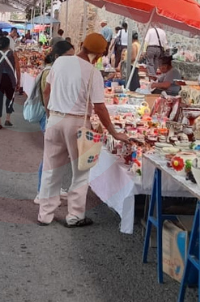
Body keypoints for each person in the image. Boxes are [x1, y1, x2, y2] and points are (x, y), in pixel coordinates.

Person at [38, 33, 131, 227]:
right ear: (99, 55)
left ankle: (44, 214)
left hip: (54, 119)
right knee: (80, 172)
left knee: (50, 169)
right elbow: (100, 107)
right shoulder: (92, 72)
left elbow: (47, 92)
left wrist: (50, 114)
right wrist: (114, 132)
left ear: (81, 45)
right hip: (78, 123)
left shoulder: (60, 62)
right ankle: (75, 216)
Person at [34, 40, 75, 201]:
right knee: (50, 156)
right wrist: (50, 115)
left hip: (56, 117)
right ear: (57, 56)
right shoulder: (50, 72)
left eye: (73, 56)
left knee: (58, 156)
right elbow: (47, 94)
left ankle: (54, 188)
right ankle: (41, 191)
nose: (72, 60)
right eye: (68, 56)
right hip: (51, 117)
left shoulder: (58, 70)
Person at [0, 36, 20, 130]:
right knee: (10, 98)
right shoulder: (13, 54)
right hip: (10, 79)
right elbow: (17, 69)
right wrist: (18, 81)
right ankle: (8, 119)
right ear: (8, 44)